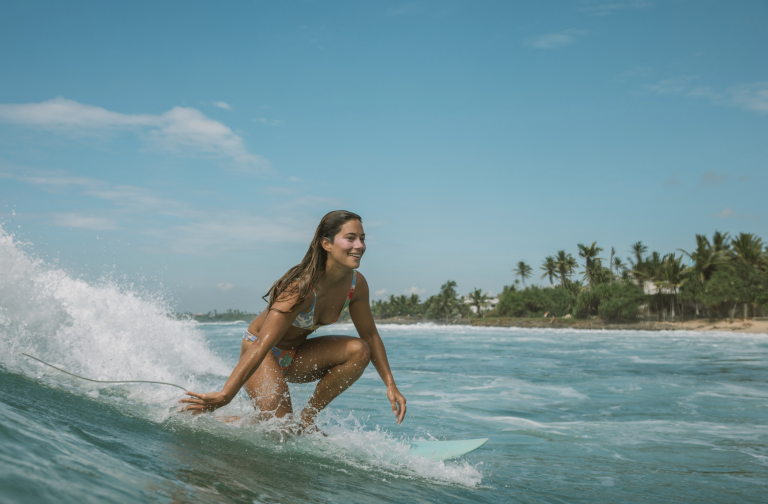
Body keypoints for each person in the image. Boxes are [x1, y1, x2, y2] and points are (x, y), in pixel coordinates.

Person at [181, 210, 406, 433]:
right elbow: (262, 344)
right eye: (350, 238)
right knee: (282, 430)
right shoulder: (300, 288)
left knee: (360, 350)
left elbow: (370, 335)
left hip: (297, 355)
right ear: (326, 244)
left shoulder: (356, 285)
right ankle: (206, 418)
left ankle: (307, 420)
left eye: (362, 239)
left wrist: (390, 384)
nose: (359, 245)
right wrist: (225, 394)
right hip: (263, 352)